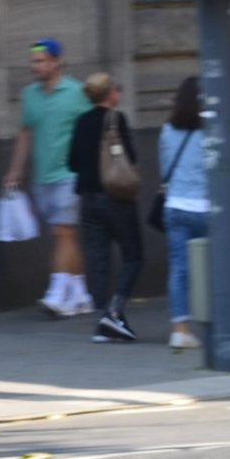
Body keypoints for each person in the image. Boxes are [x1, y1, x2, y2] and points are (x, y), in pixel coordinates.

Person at [1, 38, 91, 316]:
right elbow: (25, 132)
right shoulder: (30, 95)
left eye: (40, 61)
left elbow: (95, 127)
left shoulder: (77, 92)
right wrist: (15, 169)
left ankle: (55, 294)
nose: (35, 66)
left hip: (70, 174)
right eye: (33, 61)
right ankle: (81, 295)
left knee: (63, 230)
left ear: (56, 62)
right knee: (64, 235)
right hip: (43, 177)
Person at [68, 72, 144, 343]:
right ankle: (114, 312)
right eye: (117, 89)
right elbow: (130, 156)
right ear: (110, 93)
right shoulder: (116, 118)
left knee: (98, 261)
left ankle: (102, 321)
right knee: (133, 255)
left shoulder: (81, 121)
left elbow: (72, 162)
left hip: (87, 199)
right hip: (116, 197)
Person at [158, 75, 209, 352]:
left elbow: (165, 168)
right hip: (206, 208)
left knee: (179, 268)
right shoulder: (211, 131)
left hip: (175, 207)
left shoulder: (167, 130)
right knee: (224, 263)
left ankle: (180, 331)